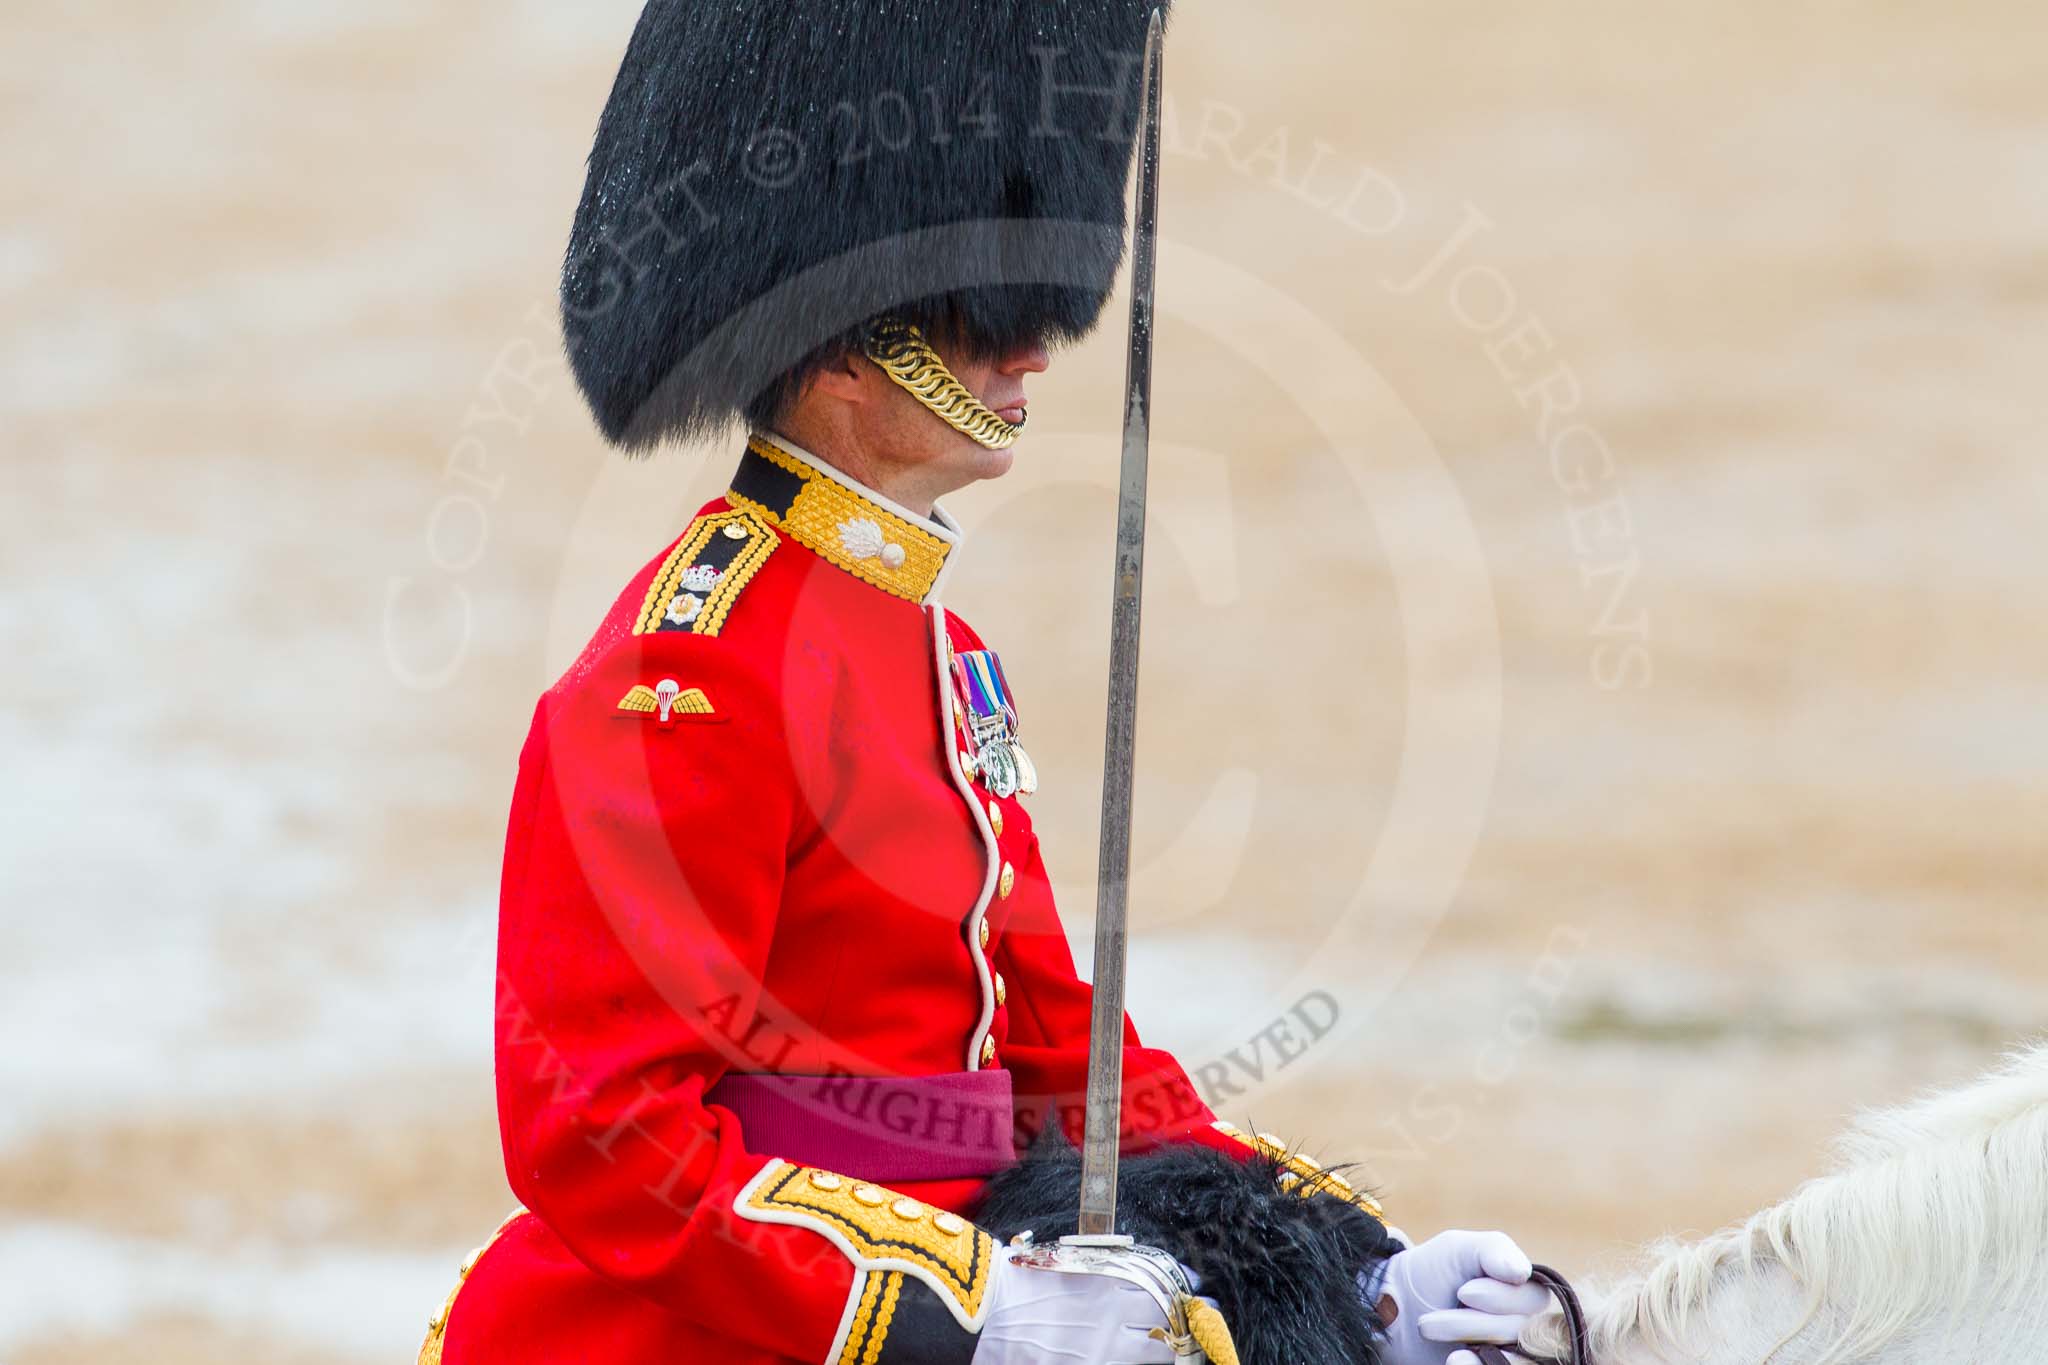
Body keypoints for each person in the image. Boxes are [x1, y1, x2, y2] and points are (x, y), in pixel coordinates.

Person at [422, 4, 1552, 1363]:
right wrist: (971, 1314)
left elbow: (1054, 1044)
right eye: (977, 317)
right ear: (843, 337)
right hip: (735, 1322)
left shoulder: (941, 650)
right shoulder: (689, 674)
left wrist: (1351, 1265)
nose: (1026, 352)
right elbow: (605, 1134)